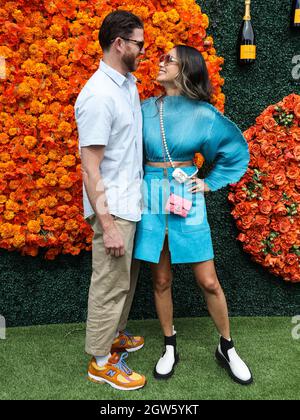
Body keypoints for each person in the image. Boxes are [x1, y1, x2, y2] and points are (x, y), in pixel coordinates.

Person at [134, 45, 253, 386]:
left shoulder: (205, 114)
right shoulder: (142, 109)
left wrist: (209, 182)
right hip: (151, 198)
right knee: (160, 279)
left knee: (208, 281)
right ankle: (169, 344)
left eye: (168, 59)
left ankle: (227, 346)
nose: (160, 61)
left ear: (186, 69)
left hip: (186, 195)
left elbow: (233, 151)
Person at [75, 10, 147, 391]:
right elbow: (90, 168)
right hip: (113, 209)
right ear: (119, 44)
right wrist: (108, 225)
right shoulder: (99, 95)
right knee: (108, 284)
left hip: (128, 203)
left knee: (125, 281)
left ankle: (113, 337)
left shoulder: (126, 84)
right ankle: (100, 362)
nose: (143, 50)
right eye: (139, 43)